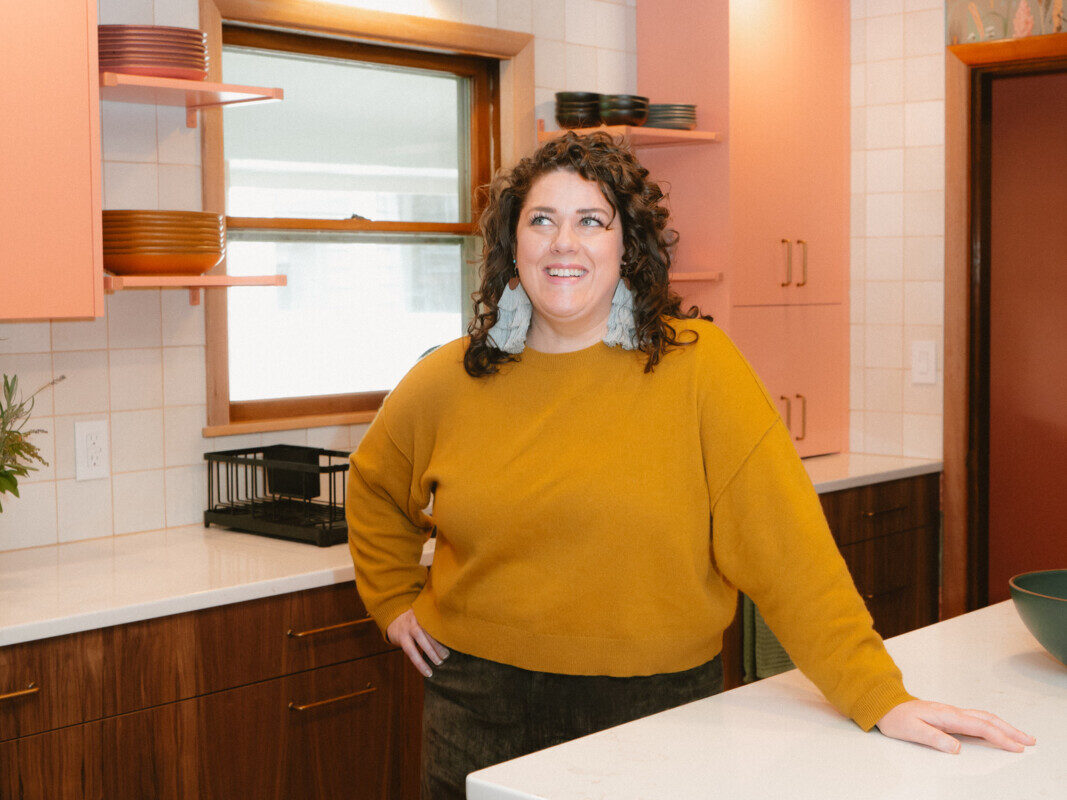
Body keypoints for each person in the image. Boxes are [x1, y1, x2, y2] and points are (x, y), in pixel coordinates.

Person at [346, 132, 1034, 799]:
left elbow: (789, 551)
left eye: (591, 220)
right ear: (511, 243)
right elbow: (374, 482)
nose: (563, 242)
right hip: (474, 707)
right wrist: (393, 600)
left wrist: (877, 694)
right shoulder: (451, 377)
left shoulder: (698, 366)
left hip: (655, 710)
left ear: (626, 245)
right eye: (541, 220)